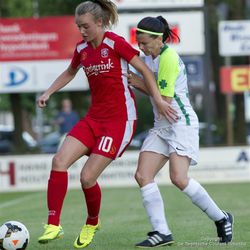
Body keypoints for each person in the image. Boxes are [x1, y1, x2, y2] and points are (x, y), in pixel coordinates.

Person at [37, 1, 178, 249]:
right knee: (58, 162)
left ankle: (92, 222)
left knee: (87, 177)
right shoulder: (81, 48)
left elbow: (144, 69)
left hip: (119, 121)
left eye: (85, 26)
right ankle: (53, 225)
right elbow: (70, 72)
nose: (81, 31)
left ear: (100, 23)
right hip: (93, 118)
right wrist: (48, 92)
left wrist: (157, 98)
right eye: (78, 26)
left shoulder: (115, 43)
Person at [127, 16, 234, 248]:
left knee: (179, 178)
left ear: (158, 39)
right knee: (143, 176)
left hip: (180, 122)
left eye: (144, 43)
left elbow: (164, 99)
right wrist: (140, 81)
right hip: (162, 124)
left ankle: (222, 217)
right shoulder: (150, 57)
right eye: (139, 42)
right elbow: (158, 100)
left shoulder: (168, 58)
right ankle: (162, 232)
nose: (141, 47)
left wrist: (139, 82)